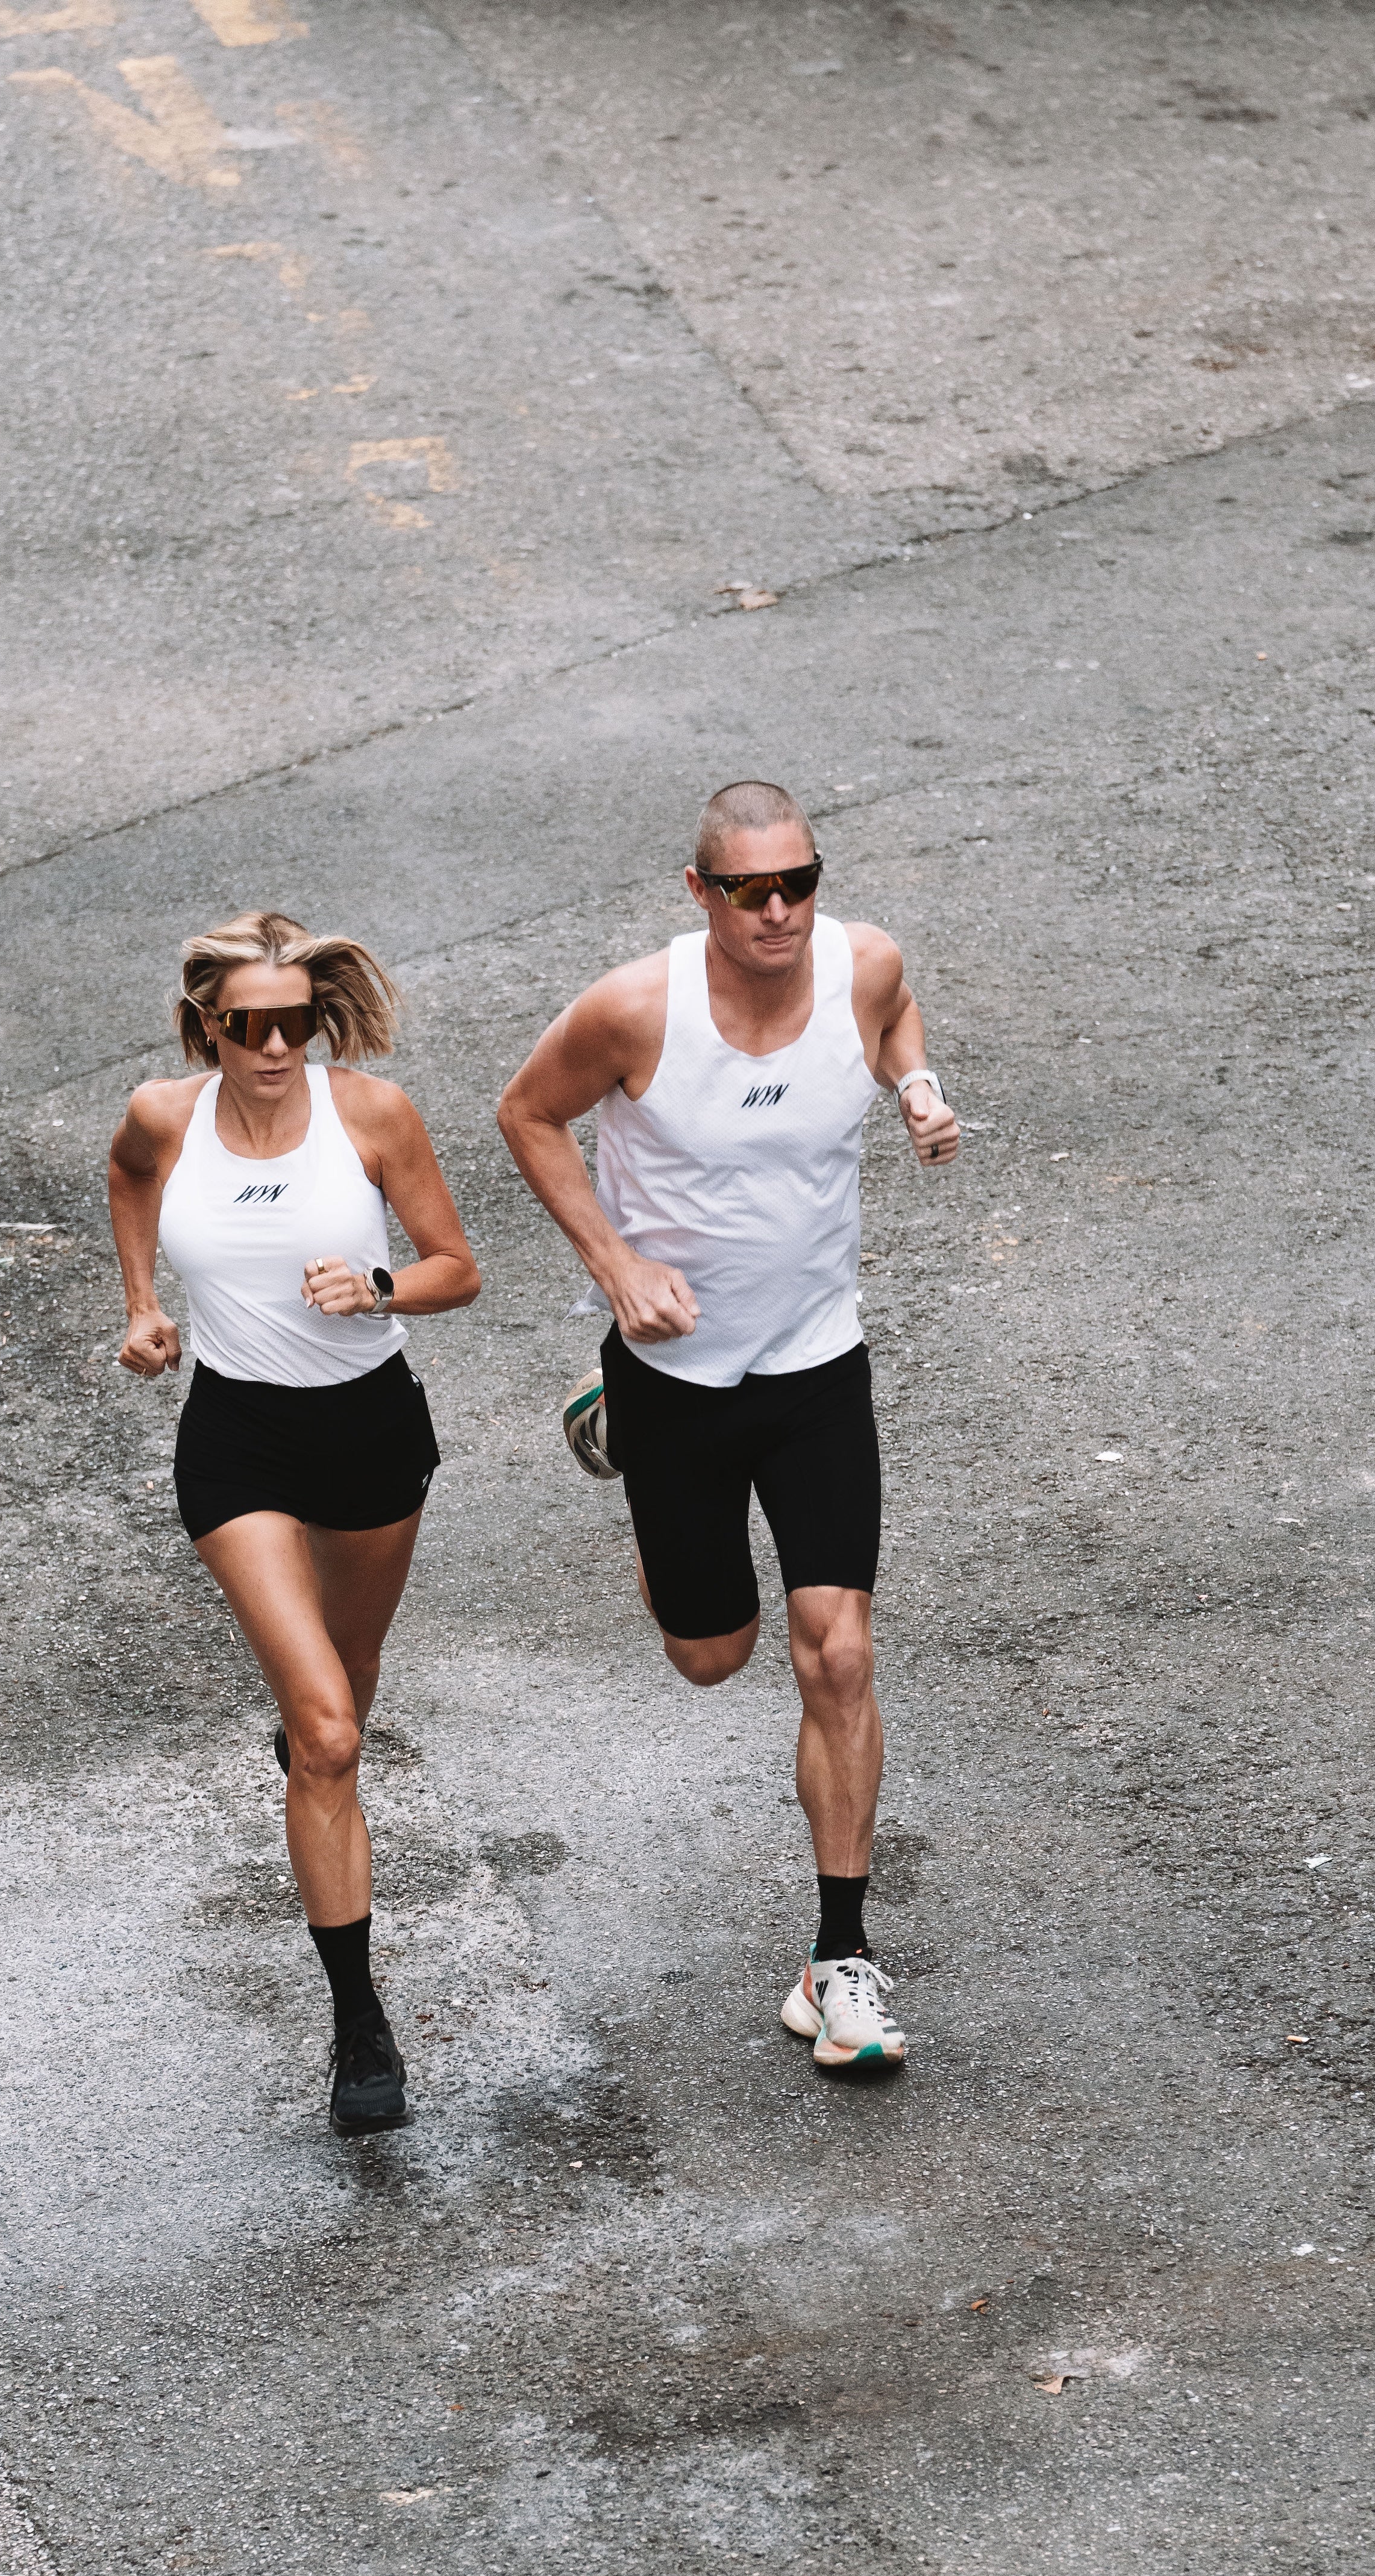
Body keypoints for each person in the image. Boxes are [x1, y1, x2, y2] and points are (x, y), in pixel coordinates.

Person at [497, 782, 957, 2072]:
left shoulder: (864, 963)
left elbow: (893, 1014)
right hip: (673, 1373)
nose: (779, 911)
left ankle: (839, 1959)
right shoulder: (636, 1011)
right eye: (751, 890)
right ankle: (624, 1443)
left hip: (816, 1363)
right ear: (699, 892)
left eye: (799, 883)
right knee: (712, 1656)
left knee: (838, 1654)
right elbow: (526, 1114)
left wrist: (917, 1086)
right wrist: (616, 1266)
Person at [107, 911, 479, 2133]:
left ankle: (322, 1737)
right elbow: (128, 1178)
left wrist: (379, 1286)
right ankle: (359, 2023)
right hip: (239, 1440)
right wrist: (143, 1305)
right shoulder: (166, 1117)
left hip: (370, 1432)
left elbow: (457, 1267)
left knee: (349, 1682)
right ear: (204, 1026)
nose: (274, 1048)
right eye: (247, 1026)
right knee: (325, 1732)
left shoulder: (369, 1116)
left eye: (296, 1023)